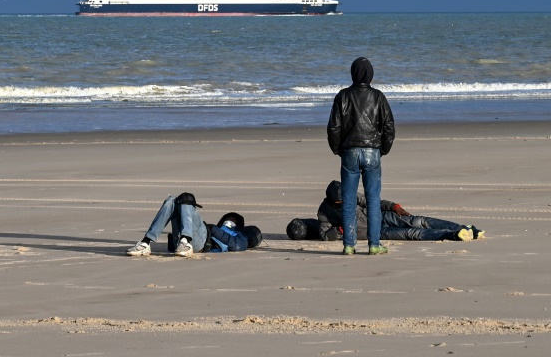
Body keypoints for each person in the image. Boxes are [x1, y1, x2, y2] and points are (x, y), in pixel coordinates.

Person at [327, 57, 396, 256]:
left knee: (349, 200)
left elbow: (334, 127)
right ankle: (374, 244)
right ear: (370, 74)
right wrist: (383, 149)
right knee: (373, 199)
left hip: (349, 151)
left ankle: (349, 245)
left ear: (353, 73)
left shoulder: (343, 96)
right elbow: (389, 127)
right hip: (372, 151)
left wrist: (338, 149)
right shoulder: (378, 96)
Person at [286, 180, 485, 242]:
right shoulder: (324, 211)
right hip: (375, 232)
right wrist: (339, 231)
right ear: (332, 200)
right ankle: (453, 235)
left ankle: (466, 228)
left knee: (419, 221)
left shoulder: (351, 194)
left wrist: (393, 206)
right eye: (341, 201)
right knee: (411, 233)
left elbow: (372, 201)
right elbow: (324, 235)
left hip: (380, 216)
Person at [125, 193, 262, 257]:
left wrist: (213, 229)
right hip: (192, 237)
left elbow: (236, 246)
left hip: (204, 242)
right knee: (172, 200)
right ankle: (146, 242)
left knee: (187, 199)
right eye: (228, 219)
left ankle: (186, 241)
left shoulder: (240, 235)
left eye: (233, 220)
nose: (229, 221)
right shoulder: (221, 227)